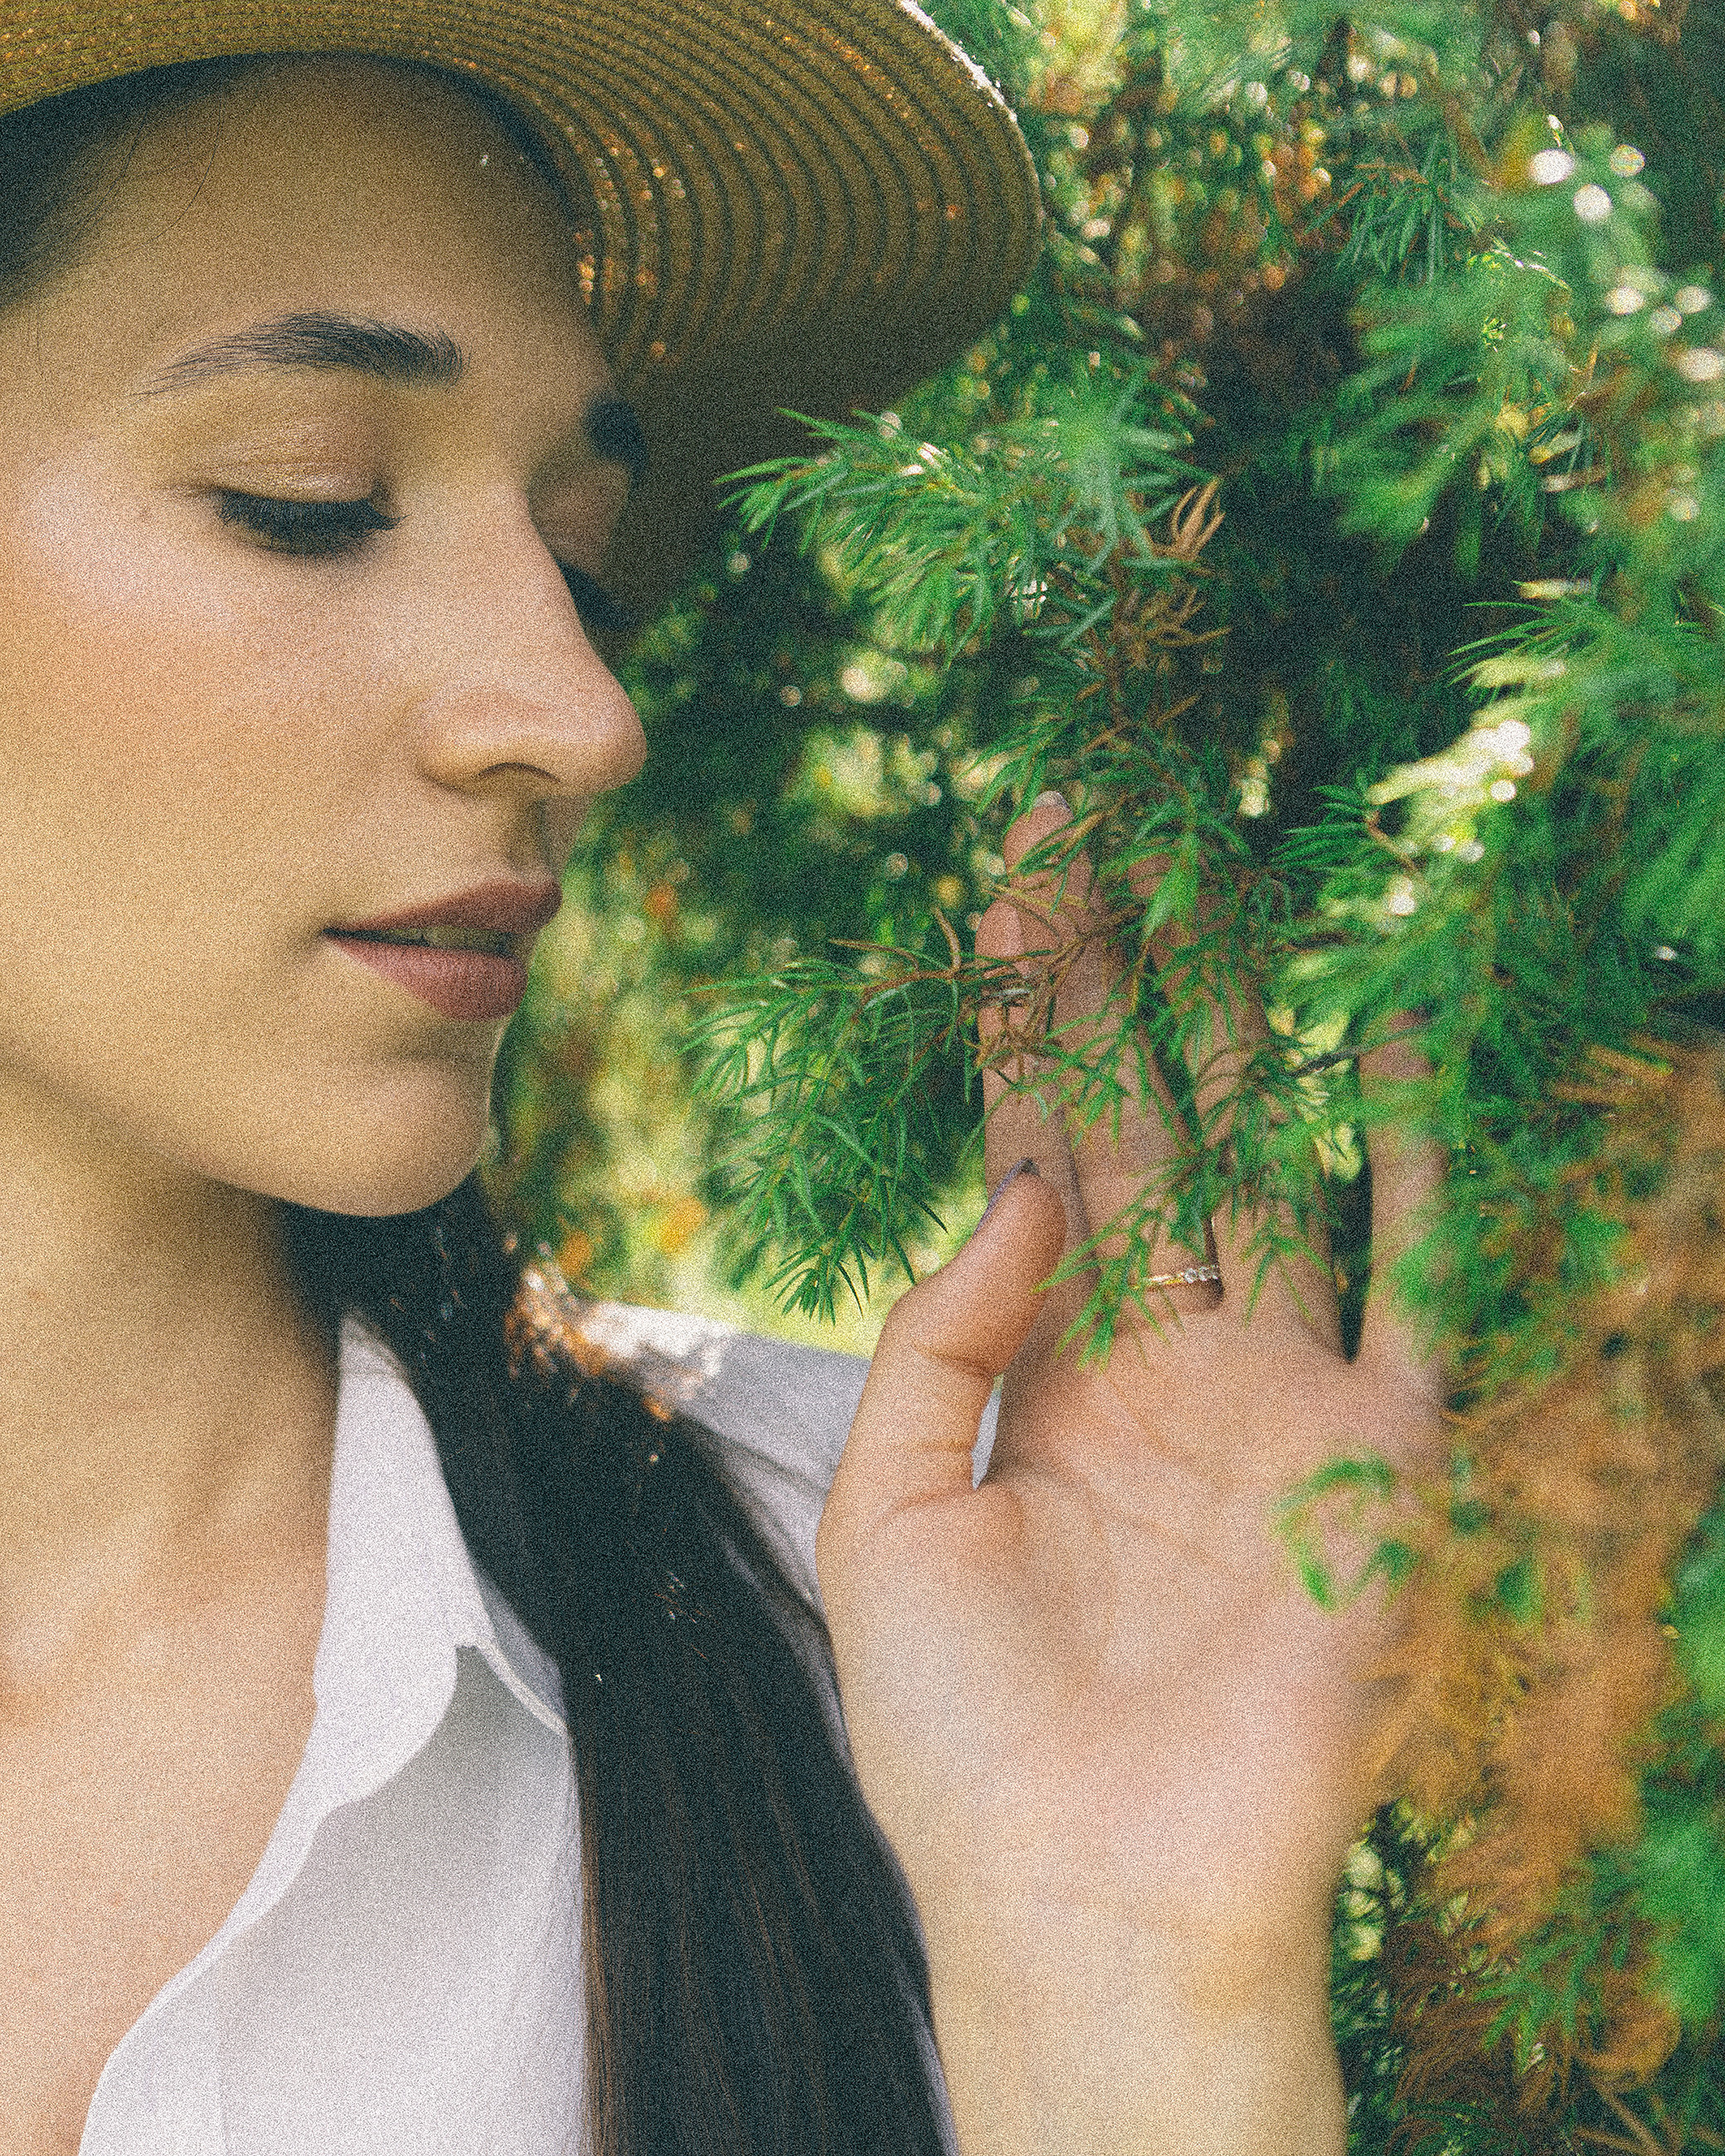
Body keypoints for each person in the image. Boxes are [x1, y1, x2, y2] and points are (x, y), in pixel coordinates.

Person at [0, 8, 1448, 2152]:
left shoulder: (903, 1627)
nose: (582, 715)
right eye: (311, 500)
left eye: (581, 561)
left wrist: (1135, 1995)